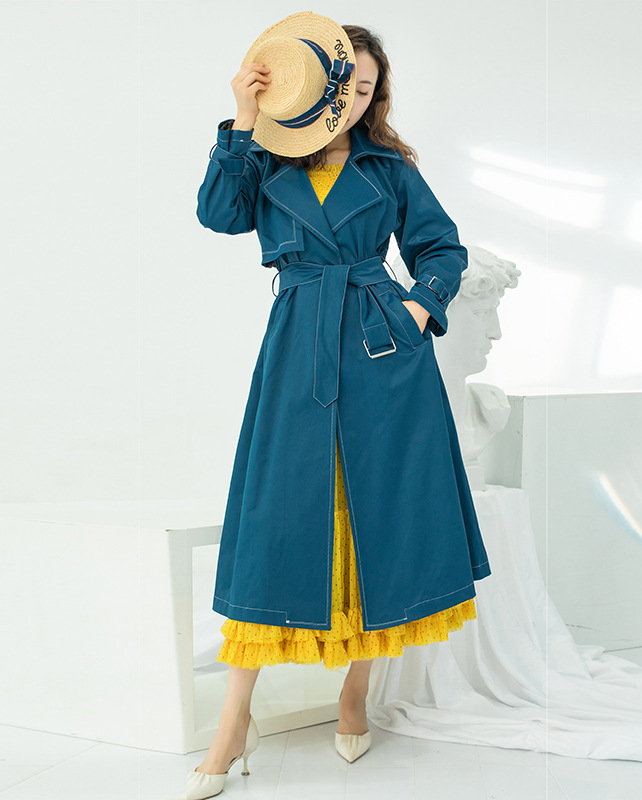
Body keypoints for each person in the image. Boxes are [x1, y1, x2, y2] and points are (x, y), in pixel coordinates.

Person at [175, 12, 492, 800]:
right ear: (311, 81)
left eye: (368, 89)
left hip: (383, 349)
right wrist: (242, 117)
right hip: (297, 343)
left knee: (377, 514)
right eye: (345, 84)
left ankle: (356, 694)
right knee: (275, 520)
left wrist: (416, 310)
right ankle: (232, 725)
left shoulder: (389, 168)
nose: (354, 100)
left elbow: (441, 248)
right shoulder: (263, 159)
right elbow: (217, 214)